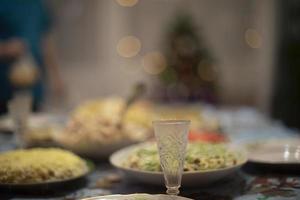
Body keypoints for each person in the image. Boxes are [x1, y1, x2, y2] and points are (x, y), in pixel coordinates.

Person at [0, 0, 64, 114]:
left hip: (33, 89)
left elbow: (45, 41)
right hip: (4, 90)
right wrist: (6, 48)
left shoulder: (37, 4)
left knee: (35, 128)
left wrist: (56, 78)